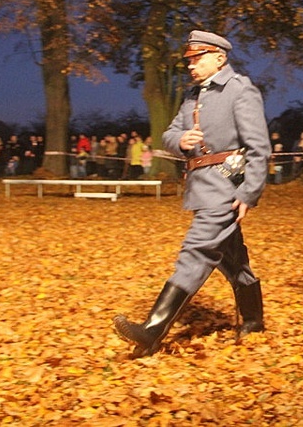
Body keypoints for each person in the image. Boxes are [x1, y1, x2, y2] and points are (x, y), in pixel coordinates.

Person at [113, 30, 271, 358]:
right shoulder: (191, 97)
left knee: (196, 251)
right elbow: (168, 134)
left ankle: (152, 330)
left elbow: (259, 147)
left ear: (220, 57)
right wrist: (181, 139)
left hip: (226, 188)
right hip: (201, 186)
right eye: (189, 60)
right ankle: (254, 321)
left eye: (198, 58)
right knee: (233, 260)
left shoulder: (240, 90)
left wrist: (249, 192)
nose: (191, 65)